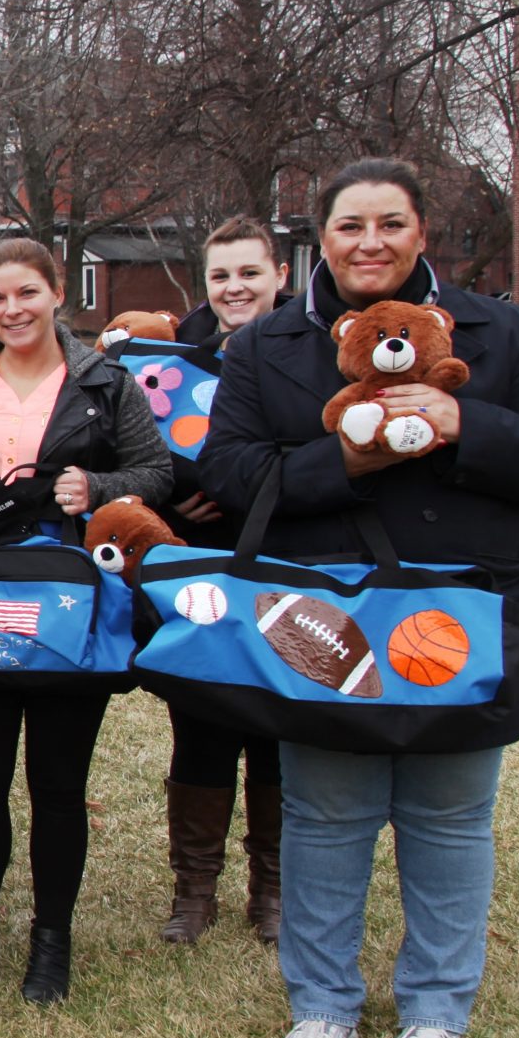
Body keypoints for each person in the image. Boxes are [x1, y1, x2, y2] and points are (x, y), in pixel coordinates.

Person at [199, 158, 519, 1038]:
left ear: (422, 233)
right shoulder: (267, 346)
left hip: (463, 611)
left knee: (451, 819)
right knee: (326, 815)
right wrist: (349, 458)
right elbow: (230, 476)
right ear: (320, 238)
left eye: (389, 224)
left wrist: (464, 423)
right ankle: (323, 1006)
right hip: (329, 616)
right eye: (349, 227)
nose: (368, 243)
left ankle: (436, 1014)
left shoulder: (501, 332)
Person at [0, 238, 173, 1004]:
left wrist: (100, 484)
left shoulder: (104, 381)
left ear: (57, 292)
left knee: (57, 784)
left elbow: (158, 472)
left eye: (27, 293)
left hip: (68, 597)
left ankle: (51, 944)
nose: (13, 310)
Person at [153, 216, 290, 946]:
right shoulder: (176, 357)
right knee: (201, 723)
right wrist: (174, 491)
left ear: (280, 277)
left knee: (276, 724)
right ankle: (194, 890)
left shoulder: (305, 351)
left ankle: (271, 889)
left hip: (283, 552)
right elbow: (139, 445)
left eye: (248, 273)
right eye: (220, 275)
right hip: (200, 556)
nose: (234, 288)